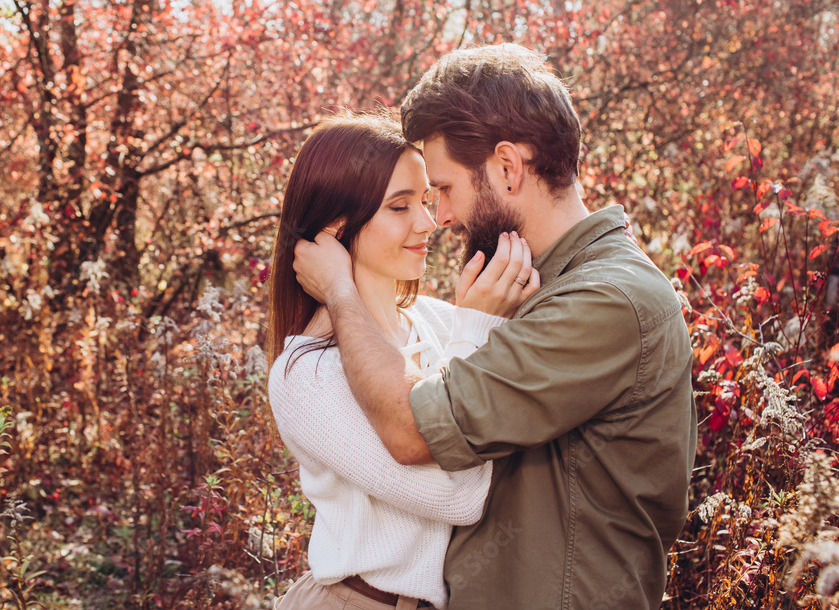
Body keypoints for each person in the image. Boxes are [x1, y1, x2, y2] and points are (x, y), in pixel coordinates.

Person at [292, 44, 698, 609]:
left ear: (507, 169)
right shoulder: (537, 288)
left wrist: (339, 291)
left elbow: (412, 430)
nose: (444, 217)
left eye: (445, 189)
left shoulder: (603, 302)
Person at [267, 112, 538, 610]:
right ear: (333, 227)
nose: (428, 222)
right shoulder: (304, 374)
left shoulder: (439, 322)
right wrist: (479, 328)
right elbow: (459, 497)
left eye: (426, 199)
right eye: (399, 206)